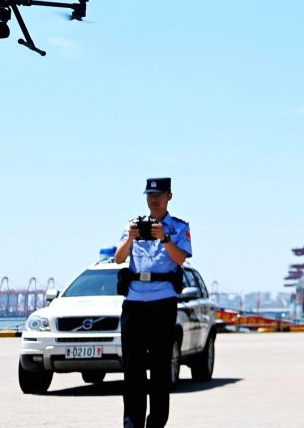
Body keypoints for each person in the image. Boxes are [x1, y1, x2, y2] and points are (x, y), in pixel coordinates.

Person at [113, 177, 192, 428]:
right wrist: (130, 237)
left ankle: (156, 423)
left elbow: (180, 260)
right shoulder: (134, 226)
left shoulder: (178, 227)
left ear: (169, 196)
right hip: (134, 303)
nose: (153, 199)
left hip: (162, 303)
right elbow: (118, 259)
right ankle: (132, 423)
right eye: (149, 195)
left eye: (158, 195)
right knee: (132, 369)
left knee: (159, 369)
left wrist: (165, 238)